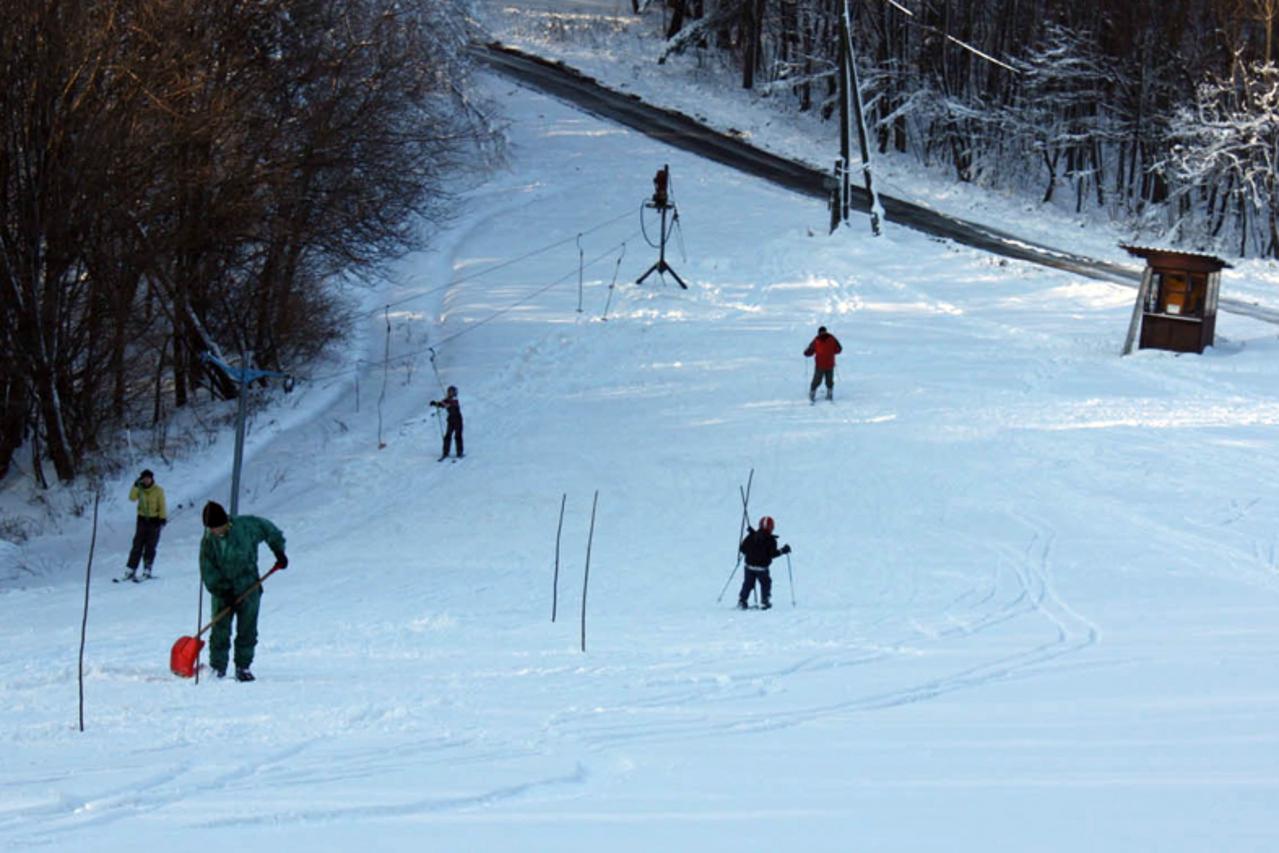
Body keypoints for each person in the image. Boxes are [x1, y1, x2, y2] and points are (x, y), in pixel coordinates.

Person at [199, 501, 287, 682]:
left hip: (248, 586)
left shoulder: (246, 526)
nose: (215, 531)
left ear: (226, 521)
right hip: (222, 592)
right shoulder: (208, 540)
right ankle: (218, 667)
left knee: (247, 628)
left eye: (218, 527)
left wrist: (279, 552)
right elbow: (207, 570)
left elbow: (271, 531)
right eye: (211, 528)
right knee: (220, 630)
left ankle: (243, 666)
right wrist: (222, 591)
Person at [737, 515, 790, 610]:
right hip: (762, 569)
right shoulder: (771, 540)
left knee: (748, 584)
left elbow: (743, 549)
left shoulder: (751, 536)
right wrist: (783, 550)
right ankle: (764, 601)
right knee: (766, 583)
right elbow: (772, 554)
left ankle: (742, 600)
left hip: (749, 566)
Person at [123, 469, 166, 581]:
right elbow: (132, 498)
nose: (146, 480)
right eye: (144, 478)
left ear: (152, 478)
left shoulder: (158, 490)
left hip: (154, 521)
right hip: (142, 520)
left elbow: (162, 505)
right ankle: (131, 569)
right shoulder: (140, 489)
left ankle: (147, 569)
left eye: (148, 478)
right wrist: (135, 486)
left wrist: (162, 518)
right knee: (137, 544)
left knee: (150, 546)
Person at [804, 325, 843, 402]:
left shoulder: (817, 340)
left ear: (819, 332)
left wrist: (806, 353)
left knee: (817, 379)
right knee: (829, 380)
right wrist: (831, 352)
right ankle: (830, 393)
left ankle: (812, 393)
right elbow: (839, 349)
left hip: (820, 365)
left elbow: (810, 350)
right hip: (830, 364)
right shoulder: (832, 338)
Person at [430, 385, 464, 461]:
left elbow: (450, 405)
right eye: (449, 392)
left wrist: (444, 403)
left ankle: (459, 452)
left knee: (458, 436)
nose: (450, 393)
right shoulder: (447, 400)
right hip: (451, 420)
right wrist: (435, 403)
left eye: (451, 392)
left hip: (458, 420)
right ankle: (445, 452)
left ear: (455, 393)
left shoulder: (455, 399)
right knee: (447, 436)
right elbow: (442, 404)